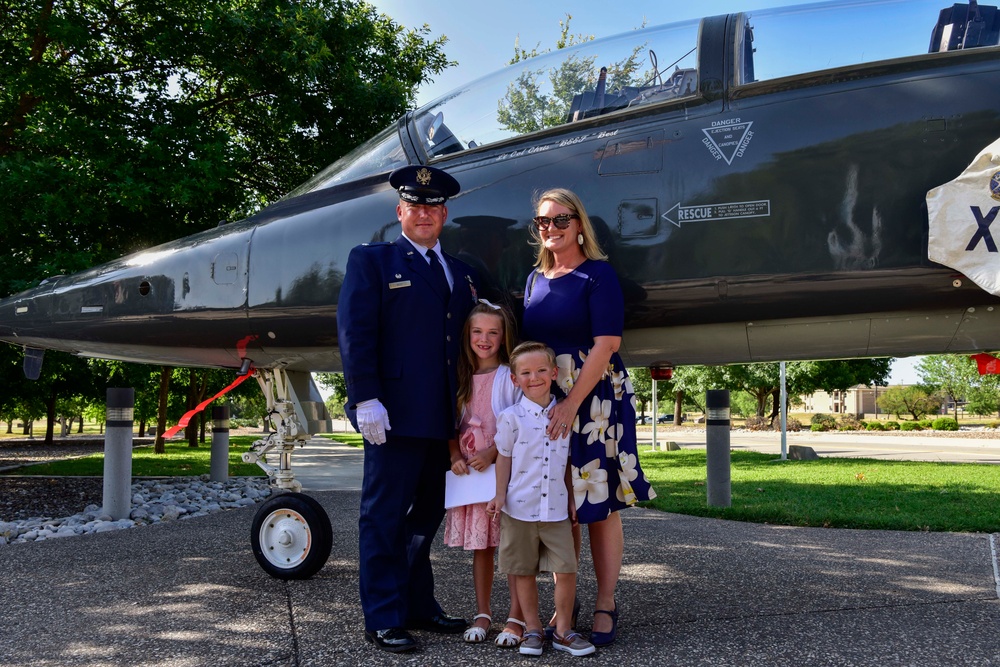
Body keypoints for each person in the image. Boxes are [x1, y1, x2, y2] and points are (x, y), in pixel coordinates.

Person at [337, 165, 479, 654]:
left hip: (445, 420)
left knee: (426, 518)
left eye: (433, 207)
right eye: (415, 206)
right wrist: (364, 396)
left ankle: (418, 604)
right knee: (384, 518)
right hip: (393, 416)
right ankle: (382, 615)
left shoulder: (461, 272)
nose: (425, 214)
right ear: (400, 212)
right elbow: (357, 333)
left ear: (444, 214)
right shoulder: (373, 261)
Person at [520, 188, 657, 647]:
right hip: (547, 402)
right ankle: (567, 603)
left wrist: (571, 403)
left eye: (562, 219)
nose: (552, 228)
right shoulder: (534, 279)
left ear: (579, 224)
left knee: (597, 506)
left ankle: (605, 600)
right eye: (544, 221)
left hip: (593, 399)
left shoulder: (598, 275)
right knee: (562, 508)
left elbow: (606, 345)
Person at [486, 341, 596, 658]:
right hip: (518, 509)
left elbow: (565, 464)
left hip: (557, 510)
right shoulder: (511, 418)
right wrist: (499, 494)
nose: (534, 377)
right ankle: (532, 629)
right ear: (515, 379)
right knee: (522, 570)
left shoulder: (565, 414)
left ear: (553, 373)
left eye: (540, 370)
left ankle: (563, 630)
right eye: (525, 372)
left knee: (566, 568)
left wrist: (573, 500)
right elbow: (504, 457)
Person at [444, 299, 527, 647]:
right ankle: (482, 612)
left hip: (503, 473)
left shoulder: (509, 376)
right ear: (467, 335)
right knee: (483, 547)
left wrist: (492, 452)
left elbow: (522, 420)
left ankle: (516, 616)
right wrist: (454, 456)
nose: (485, 338)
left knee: (511, 545)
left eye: (493, 332)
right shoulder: (460, 376)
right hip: (471, 477)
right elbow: (448, 424)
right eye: (477, 331)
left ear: (504, 336)